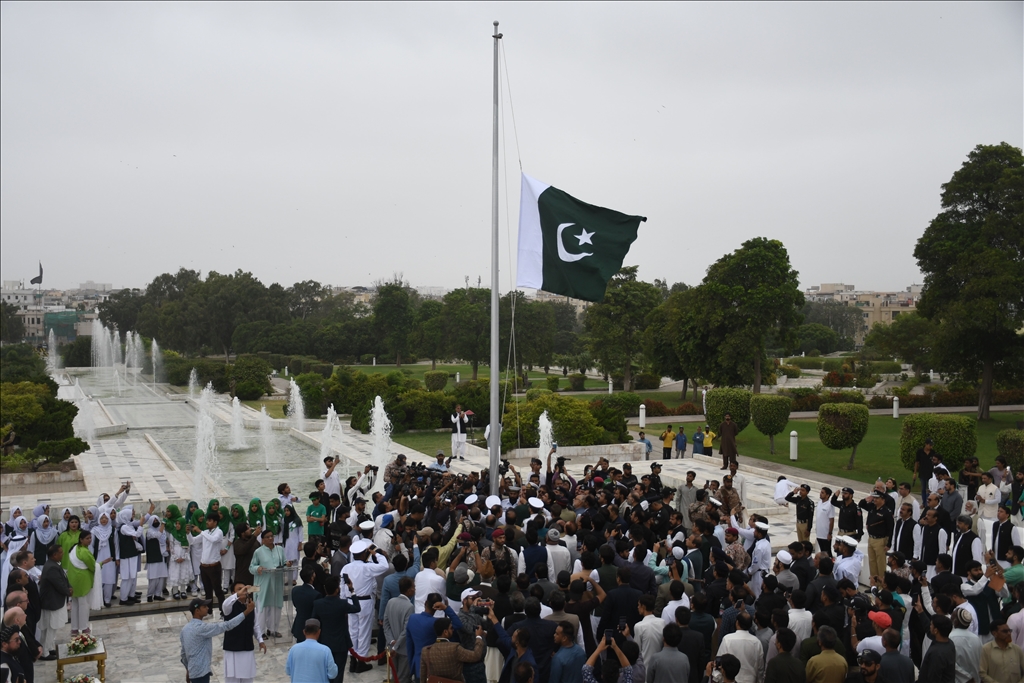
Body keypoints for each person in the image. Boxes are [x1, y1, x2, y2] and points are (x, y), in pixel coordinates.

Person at [180, 597, 255, 683]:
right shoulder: (201, 628)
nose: (208, 608)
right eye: (204, 607)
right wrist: (247, 611)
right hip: (201, 673)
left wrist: (188, 670)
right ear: (197, 611)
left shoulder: (185, 629)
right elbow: (227, 625)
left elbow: (183, 654)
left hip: (193, 671)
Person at [311, 575, 362, 682]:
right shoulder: (342, 604)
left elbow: (313, 621)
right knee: (338, 673)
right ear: (337, 589)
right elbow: (357, 608)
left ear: (325, 589)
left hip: (324, 642)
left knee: (326, 672)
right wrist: (352, 590)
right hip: (341, 644)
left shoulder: (318, 604)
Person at [221, 582, 266, 683]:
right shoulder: (229, 607)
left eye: (244, 589)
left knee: (247, 678)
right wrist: (237, 595)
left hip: (246, 648)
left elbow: (255, 625)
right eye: (240, 589)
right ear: (233, 593)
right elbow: (225, 604)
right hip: (232, 649)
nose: (244, 591)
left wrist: (260, 640)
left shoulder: (250, 605)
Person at [250, 529, 290, 639]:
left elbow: (284, 563)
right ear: (262, 540)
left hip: (276, 583)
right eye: (267, 537)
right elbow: (251, 567)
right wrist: (258, 568)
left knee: (275, 607)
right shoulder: (258, 551)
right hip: (263, 584)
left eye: (272, 536)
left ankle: (273, 630)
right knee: (262, 608)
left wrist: (287, 565)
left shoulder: (279, 549)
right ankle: (260, 632)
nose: (271, 538)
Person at [419, 616, 486, 681]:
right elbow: (476, 656)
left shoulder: (426, 651)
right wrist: (478, 637)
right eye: (451, 628)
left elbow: (423, 677)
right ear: (445, 632)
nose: (453, 630)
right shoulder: (454, 648)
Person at [36, 544, 70, 659]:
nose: (62, 554)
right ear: (54, 555)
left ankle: (49, 648)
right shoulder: (51, 567)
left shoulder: (53, 564)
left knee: (51, 627)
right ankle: (45, 653)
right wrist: (68, 591)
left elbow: (63, 579)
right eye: (60, 552)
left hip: (53, 601)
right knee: (50, 627)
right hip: (51, 602)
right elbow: (59, 584)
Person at [383, 577, 416, 683]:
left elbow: (386, 625)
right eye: (413, 587)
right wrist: (396, 646)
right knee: (403, 678)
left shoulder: (390, 602)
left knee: (394, 676)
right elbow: (406, 630)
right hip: (403, 648)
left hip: (391, 646)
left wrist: (392, 642)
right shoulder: (410, 606)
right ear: (409, 590)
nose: (415, 589)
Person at [717, 611, 764, 683]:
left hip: (731, 680)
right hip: (750, 680)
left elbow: (719, 661)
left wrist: (718, 678)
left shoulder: (727, 639)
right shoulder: (756, 642)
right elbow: (760, 667)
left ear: (737, 623)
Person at [65, 530, 98, 635]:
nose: (89, 540)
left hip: (73, 580)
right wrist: (101, 564)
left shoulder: (74, 549)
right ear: (81, 540)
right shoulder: (84, 552)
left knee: (75, 605)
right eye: (87, 538)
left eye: (90, 538)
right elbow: (93, 566)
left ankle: (74, 628)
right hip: (82, 582)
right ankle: (84, 627)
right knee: (83, 605)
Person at [285, 619, 338, 683]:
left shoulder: (293, 649)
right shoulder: (325, 650)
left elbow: (288, 671)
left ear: (304, 632)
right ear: (319, 632)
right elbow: (332, 674)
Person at [981, 618, 1024, 683]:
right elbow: (982, 673)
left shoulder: (1017, 650)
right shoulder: (986, 649)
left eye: (1010, 631)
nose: (1009, 633)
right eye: (1005, 631)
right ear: (994, 633)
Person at [919, 614, 956, 683]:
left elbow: (933, 678)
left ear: (936, 630)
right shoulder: (950, 643)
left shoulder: (937, 653)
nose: (930, 627)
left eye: (931, 625)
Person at [291, 567, 321, 642]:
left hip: (298, 625)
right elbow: (316, 613)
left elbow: (295, 604)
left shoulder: (295, 590)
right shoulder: (316, 594)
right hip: (311, 628)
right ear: (312, 578)